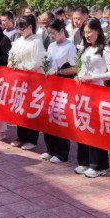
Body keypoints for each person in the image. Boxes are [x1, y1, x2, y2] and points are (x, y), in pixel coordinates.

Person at [75, 17, 110, 178]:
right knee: (83, 124)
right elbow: (83, 69)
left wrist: (92, 78)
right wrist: (79, 76)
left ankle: (98, 165)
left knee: (96, 128)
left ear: (98, 31)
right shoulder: (86, 49)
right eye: (84, 33)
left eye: (90, 32)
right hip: (84, 92)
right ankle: (84, 161)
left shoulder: (105, 50)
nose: (87, 35)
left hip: (98, 92)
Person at [41, 19, 77, 163]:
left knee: (60, 117)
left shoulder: (70, 46)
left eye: (54, 33)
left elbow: (75, 68)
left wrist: (59, 72)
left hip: (63, 85)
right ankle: (50, 149)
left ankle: (62, 153)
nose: (51, 36)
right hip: (50, 84)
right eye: (49, 33)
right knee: (48, 115)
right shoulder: (51, 45)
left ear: (62, 31)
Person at [8, 15, 45, 150]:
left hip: (32, 80)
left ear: (30, 26)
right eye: (19, 28)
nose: (20, 31)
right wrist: (12, 65)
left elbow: (38, 61)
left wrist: (22, 67)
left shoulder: (36, 41)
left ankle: (32, 139)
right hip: (19, 80)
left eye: (22, 28)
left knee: (31, 109)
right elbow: (11, 55)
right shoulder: (18, 41)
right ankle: (21, 137)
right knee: (20, 108)